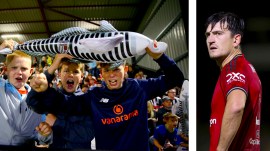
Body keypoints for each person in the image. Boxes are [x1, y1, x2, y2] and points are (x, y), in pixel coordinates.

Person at [26, 40, 184, 151]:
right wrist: (45, 88)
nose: (112, 75)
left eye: (116, 69)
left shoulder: (139, 88)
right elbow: (66, 103)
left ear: (125, 68)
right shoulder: (94, 96)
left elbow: (176, 78)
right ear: (101, 72)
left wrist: (159, 56)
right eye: (107, 70)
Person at [205, 12, 261, 150]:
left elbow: (236, 107)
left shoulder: (233, 68)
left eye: (218, 33)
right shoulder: (246, 67)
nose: (211, 39)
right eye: (208, 34)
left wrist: (220, 149)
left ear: (236, 40)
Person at [0, 40, 51, 149]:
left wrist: (45, 134)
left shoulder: (38, 98)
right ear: (6, 70)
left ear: (31, 71)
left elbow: (42, 135)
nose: (19, 72)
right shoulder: (1, 88)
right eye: (14, 67)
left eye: (24, 68)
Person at [39, 54, 95, 149]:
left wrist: (57, 123)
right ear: (59, 75)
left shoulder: (87, 100)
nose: (71, 74)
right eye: (66, 71)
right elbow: (44, 140)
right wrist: (44, 134)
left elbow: (88, 134)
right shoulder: (52, 99)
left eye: (75, 71)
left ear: (81, 77)